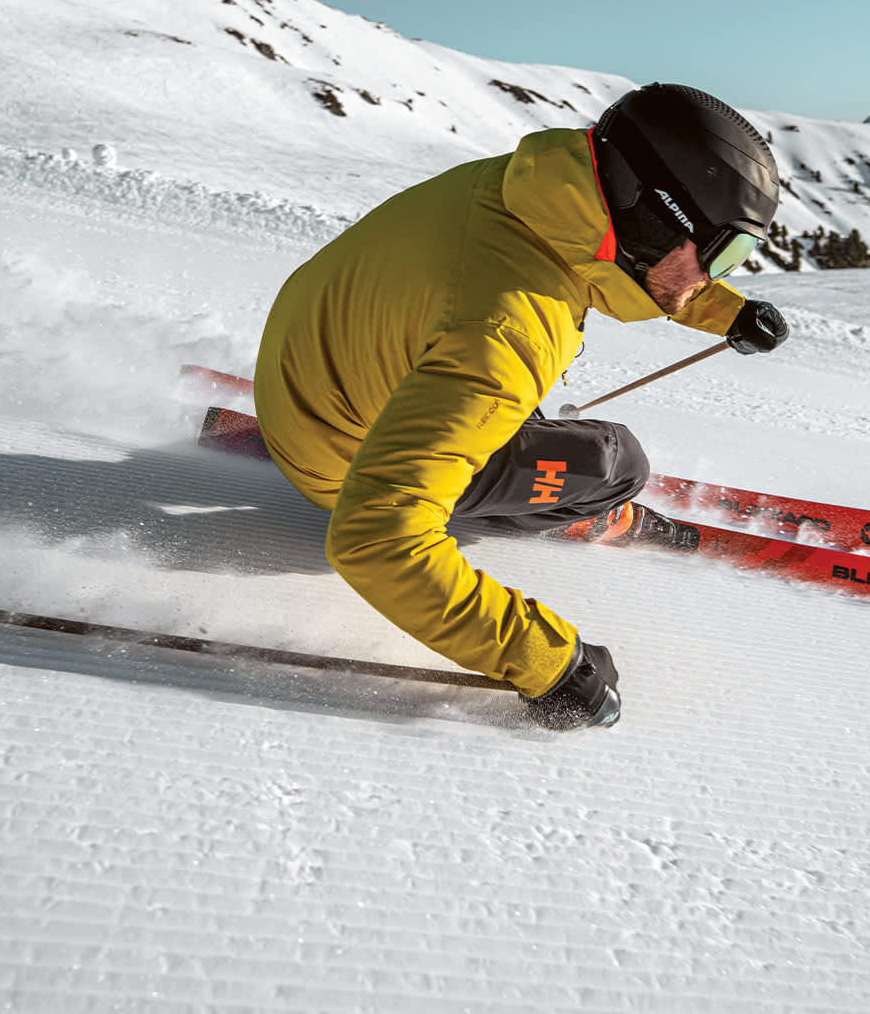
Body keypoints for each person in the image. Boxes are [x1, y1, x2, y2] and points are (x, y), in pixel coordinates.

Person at [253, 84, 789, 730]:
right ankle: (565, 507)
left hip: (312, 377)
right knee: (616, 463)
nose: (711, 276)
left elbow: (631, 271)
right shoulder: (504, 337)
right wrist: (549, 664)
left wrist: (730, 312)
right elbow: (374, 538)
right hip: (341, 463)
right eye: (719, 253)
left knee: (505, 401)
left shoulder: (525, 188)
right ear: (654, 217)